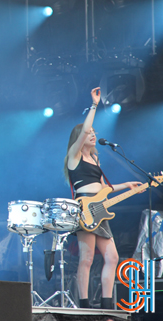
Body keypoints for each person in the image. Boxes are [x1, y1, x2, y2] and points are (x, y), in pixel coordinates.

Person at [63, 87, 141, 309]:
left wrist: (127, 185)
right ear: (80, 138)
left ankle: (107, 304)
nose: (93, 134)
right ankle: (85, 305)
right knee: (86, 259)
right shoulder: (74, 156)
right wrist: (95, 105)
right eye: (90, 133)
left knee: (112, 257)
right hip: (85, 208)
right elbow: (85, 126)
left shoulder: (96, 159)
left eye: (94, 132)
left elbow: (104, 187)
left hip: (100, 209)